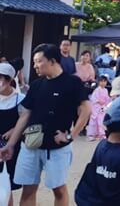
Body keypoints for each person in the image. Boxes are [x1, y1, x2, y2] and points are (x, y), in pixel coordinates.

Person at [0, 44, 91, 206]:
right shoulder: (36, 85)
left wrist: (71, 136)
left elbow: (85, 110)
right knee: (28, 189)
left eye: (38, 61)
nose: (34, 65)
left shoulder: (73, 83)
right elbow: (25, 115)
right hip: (31, 144)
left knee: (58, 189)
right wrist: (11, 144)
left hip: (57, 147)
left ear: (53, 61)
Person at [0, 62, 26, 199]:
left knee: (6, 183)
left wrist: (14, 130)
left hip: (10, 147)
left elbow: (27, 121)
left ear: (9, 80)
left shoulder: (20, 99)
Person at [87, 76, 112, 141]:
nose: (103, 83)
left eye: (104, 81)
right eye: (101, 81)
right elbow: (93, 98)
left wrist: (109, 101)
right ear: (98, 82)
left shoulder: (106, 90)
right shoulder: (97, 90)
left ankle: (101, 134)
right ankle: (92, 135)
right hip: (96, 107)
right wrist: (98, 101)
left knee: (101, 121)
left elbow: (107, 99)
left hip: (102, 107)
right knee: (94, 121)